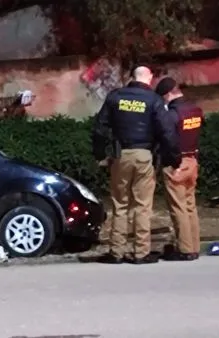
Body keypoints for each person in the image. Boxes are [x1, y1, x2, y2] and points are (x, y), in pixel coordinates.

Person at [92, 66, 181, 264]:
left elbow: (99, 128)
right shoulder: (153, 100)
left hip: (120, 155)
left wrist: (99, 154)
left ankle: (116, 251)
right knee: (142, 206)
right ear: (148, 78)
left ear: (131, 77)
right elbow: (167, 132)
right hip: (144, 155)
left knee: (120, 205)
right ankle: (141, 252)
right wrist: (173, 157)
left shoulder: (115, 97)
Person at [155, 77, 204, 261]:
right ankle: (194, 246)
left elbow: (168, 139)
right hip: (192, 160)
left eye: (163, 97)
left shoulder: (172, 115)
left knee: (178, 207)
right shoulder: (196, 110)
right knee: (190, 205)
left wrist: (173, 162)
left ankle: (185, 249)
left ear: (168, 94)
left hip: (177, 163)